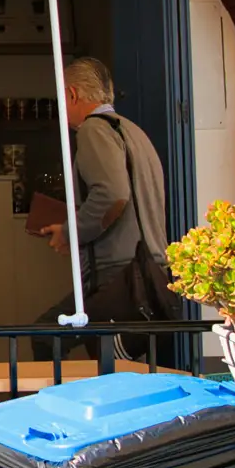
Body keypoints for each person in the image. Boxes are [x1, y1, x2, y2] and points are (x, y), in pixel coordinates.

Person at [34, 56, 168, 342]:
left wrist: (72, 232)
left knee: (46, 336)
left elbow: (112, 194)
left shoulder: (94, 129)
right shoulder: (132, 131)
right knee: (120, 366)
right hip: (151, 271)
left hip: (120, 276)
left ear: (71, 94)